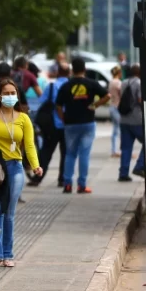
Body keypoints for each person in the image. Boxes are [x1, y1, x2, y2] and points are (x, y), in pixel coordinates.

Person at [0, 79, 42, 268]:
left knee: (10, 212)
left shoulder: (23, 118)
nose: (10, 96)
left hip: (15, 167)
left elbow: (29, 145)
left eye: (13, 93)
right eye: (6, 93)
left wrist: (36, 166)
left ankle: (8, 254)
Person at [56, 58, 111, 193]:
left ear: (72, 70)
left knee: (70, 154)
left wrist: (63, 118)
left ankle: (67, 184)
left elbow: (58, 105)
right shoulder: (91, 83)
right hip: (88, 122)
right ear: (84, 69)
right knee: (84, 154)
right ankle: (82, 185)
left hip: (70, 123)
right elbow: (107, 96)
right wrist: (95, 105)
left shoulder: (66, 85)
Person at [28, 62, 70, 187]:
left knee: (46, 152)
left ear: (58, 73)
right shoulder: (71, 86)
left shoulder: (52, 86)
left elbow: (42, 100)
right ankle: (63, 179)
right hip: (68, 125)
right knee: (66, 153)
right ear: (69, 73)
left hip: (52, 125)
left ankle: (37, 178)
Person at [118, 64, 146, 181]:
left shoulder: (124, 82)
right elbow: (140, 99)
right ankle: (139, 166)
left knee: (126, 148)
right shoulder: (139, 83)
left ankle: (123, 173)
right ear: (139, 73)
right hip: (136, 119)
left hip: (124, 119)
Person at [109, 66, 123, 158]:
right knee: (118, 129)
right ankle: (117, 150)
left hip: (112, 106)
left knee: (115, 129)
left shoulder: (111, 82)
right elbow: (121, 93)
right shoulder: (118, 82)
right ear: (119, 73)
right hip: (117, 106)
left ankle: (114, 150)